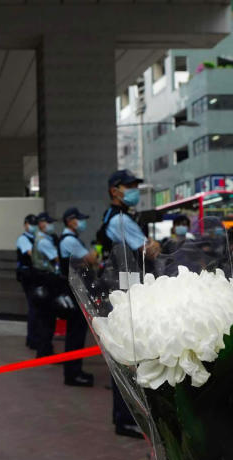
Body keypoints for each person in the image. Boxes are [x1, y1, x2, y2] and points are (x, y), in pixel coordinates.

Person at [98, 170, 161, 438]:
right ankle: (126, 418)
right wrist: (155, 244)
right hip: (125, 293)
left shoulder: (115, 217)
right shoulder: (119, 220)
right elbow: (150, 250)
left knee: (125, 354)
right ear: (115, 190)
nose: (135, 190)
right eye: (130, 186)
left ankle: (123, 417)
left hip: (123, 290)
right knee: (128, 356)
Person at [58, 207, 97, 387]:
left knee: (77, 334)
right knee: (75, 334)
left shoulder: (70, 240)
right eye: (79, 219)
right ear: (70, 220)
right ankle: (73, 374)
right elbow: (90, 259)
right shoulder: (69, 240)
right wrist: (98, 248)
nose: (82, 223)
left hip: (75, 291)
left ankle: (75, 371)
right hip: (74, 292)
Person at [31, 211, 60, 358]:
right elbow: (57, 259)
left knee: (46, 318)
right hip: (46, 281)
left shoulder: (43, 239)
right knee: (47, 319)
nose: (51, 225)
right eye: (49, 222)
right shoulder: (43, 241)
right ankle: (45, 352)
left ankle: (45, 351)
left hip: (43, 281)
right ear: (41, 224)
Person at [16, 214, 39, 349]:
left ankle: (33, 338)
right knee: (33, 307)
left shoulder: (35, 238)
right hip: (27, 275)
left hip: (33, 274)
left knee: (35, 307)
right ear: (25, 225)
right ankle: (32, 339)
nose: (33, 226)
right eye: (31, 224)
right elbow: (32, 254)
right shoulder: (23, 239)